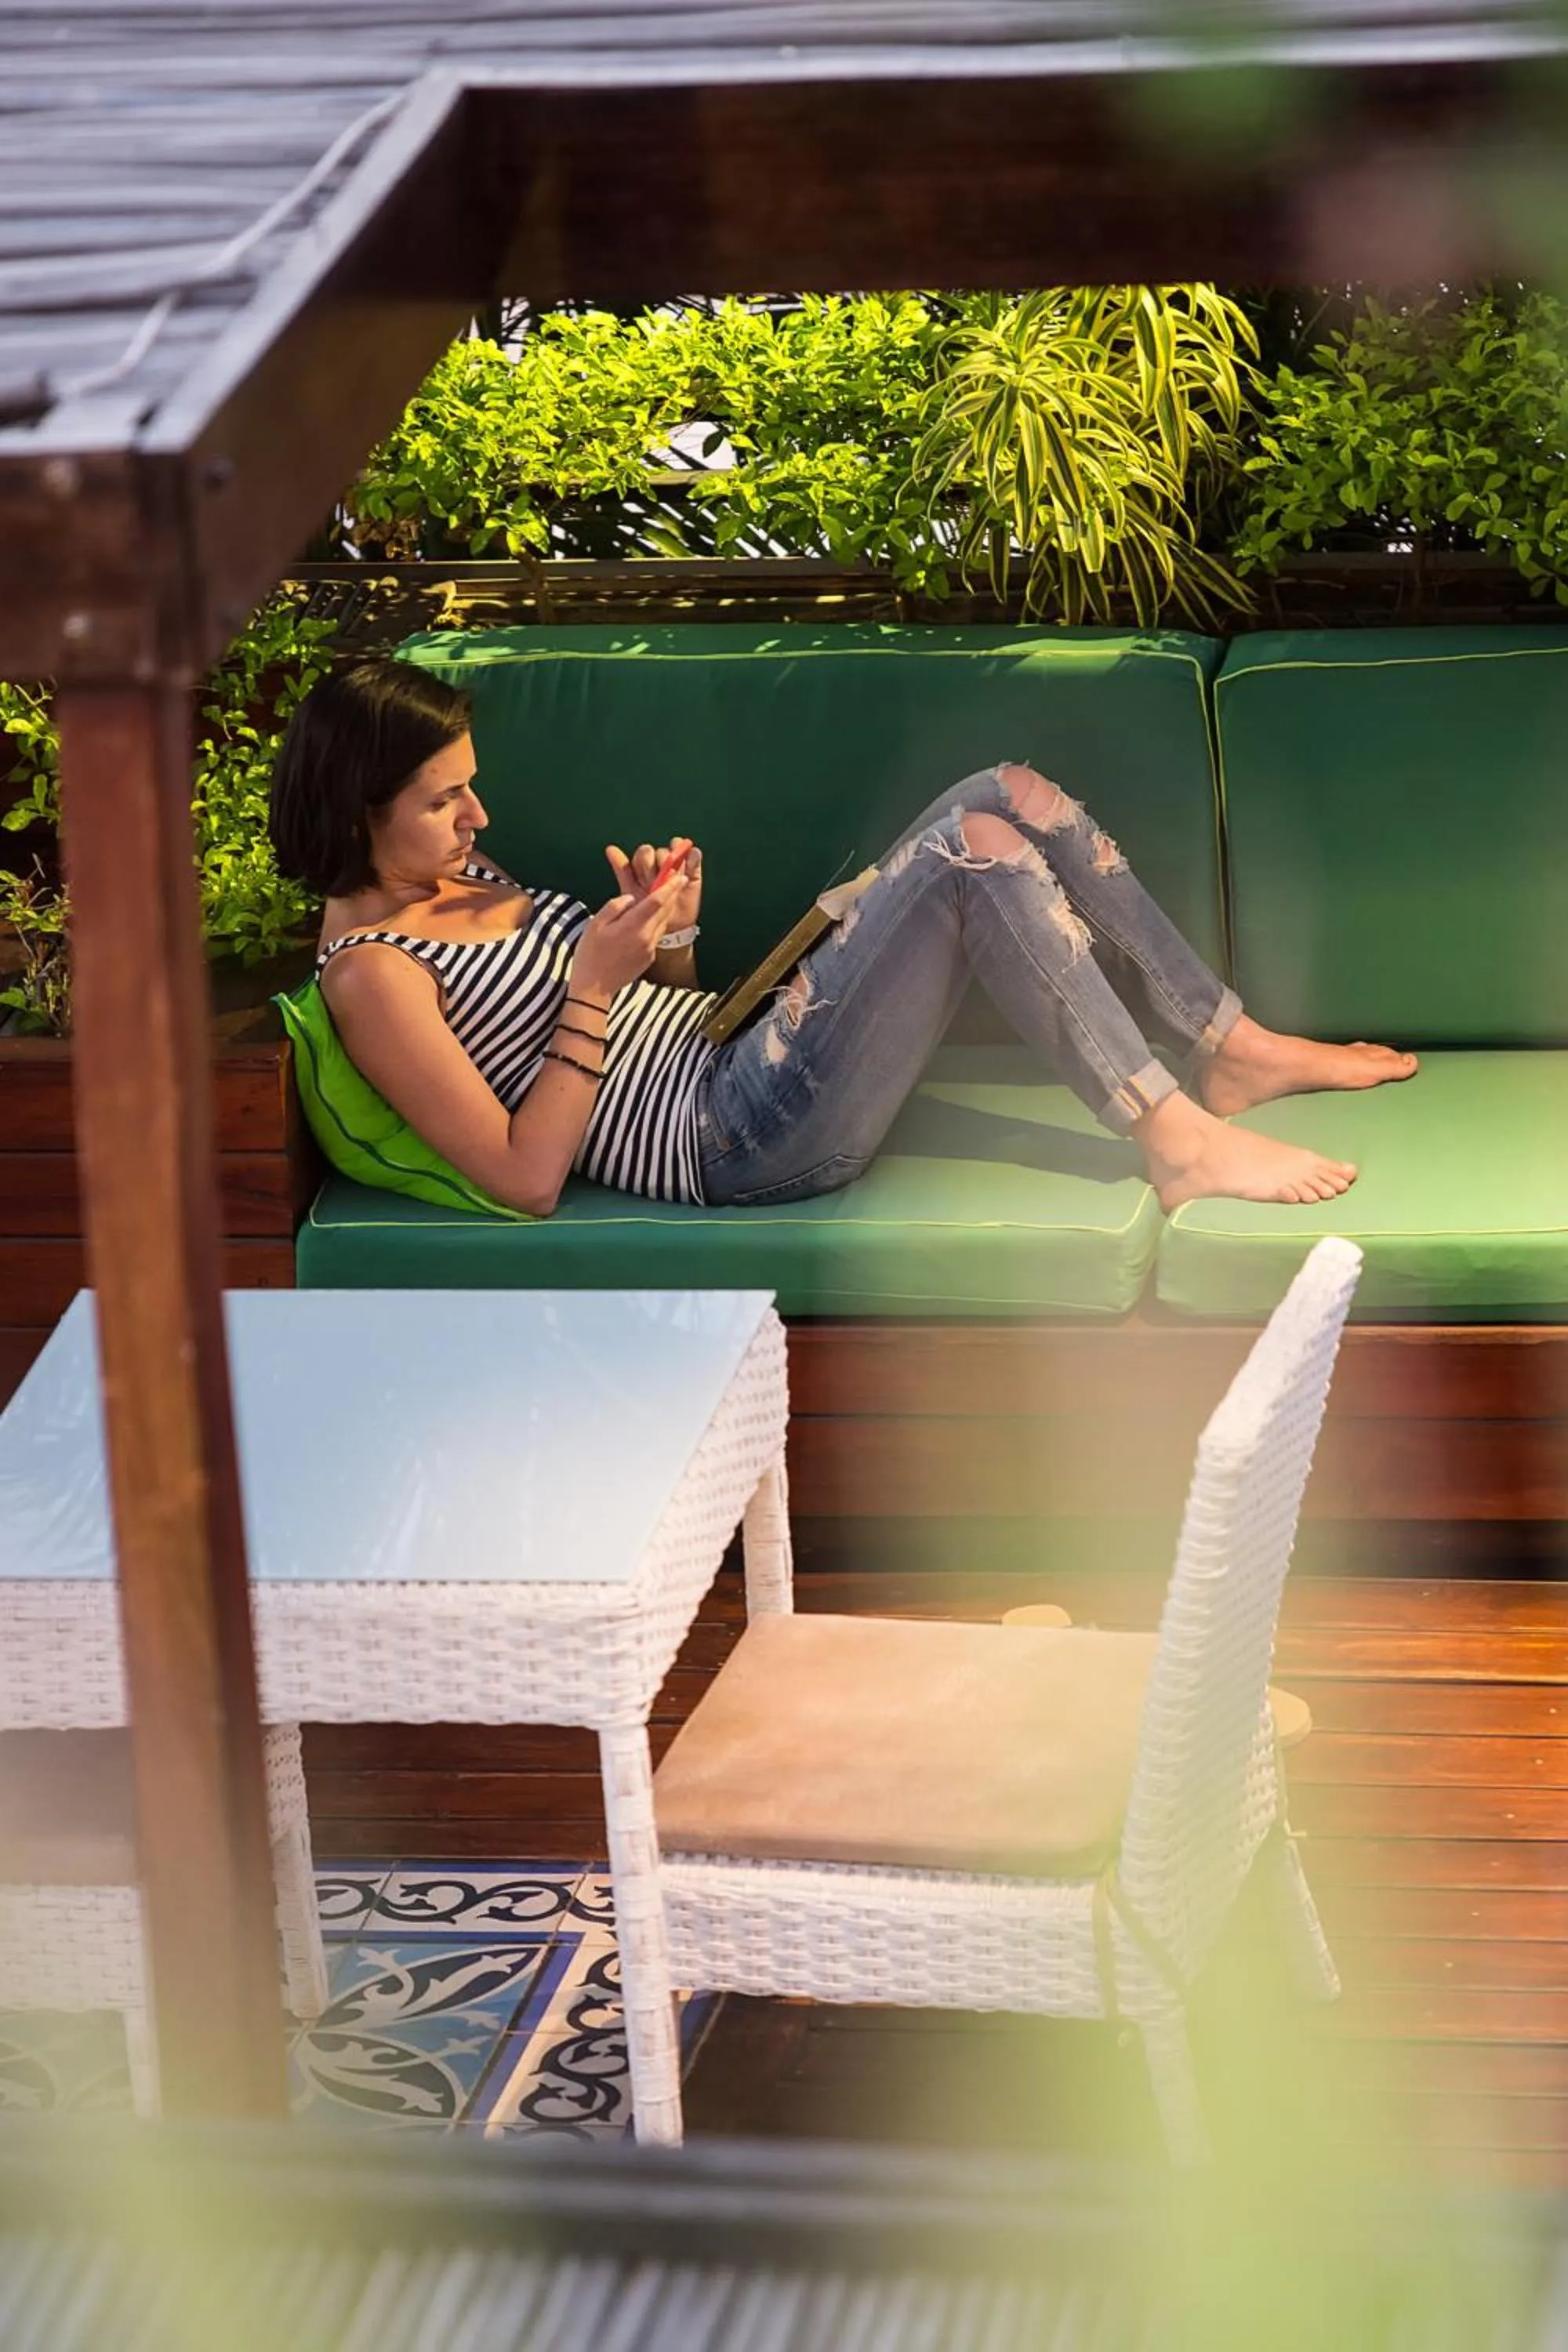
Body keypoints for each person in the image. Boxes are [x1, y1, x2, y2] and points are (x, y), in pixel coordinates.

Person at [268, 659, 1417, 1221]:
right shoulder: (376, 977)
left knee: (1003, 789)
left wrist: (673, 934)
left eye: (471, 790)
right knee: (976, 852)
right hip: (735, 1141)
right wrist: (591, 983)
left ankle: (1232, 1040)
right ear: (352, 812)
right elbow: (523, 1179)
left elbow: (662, 1013)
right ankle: (1177, 1135)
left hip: (736, 1048)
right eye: (441, 801)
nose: (478, 819)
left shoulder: (452, 869)